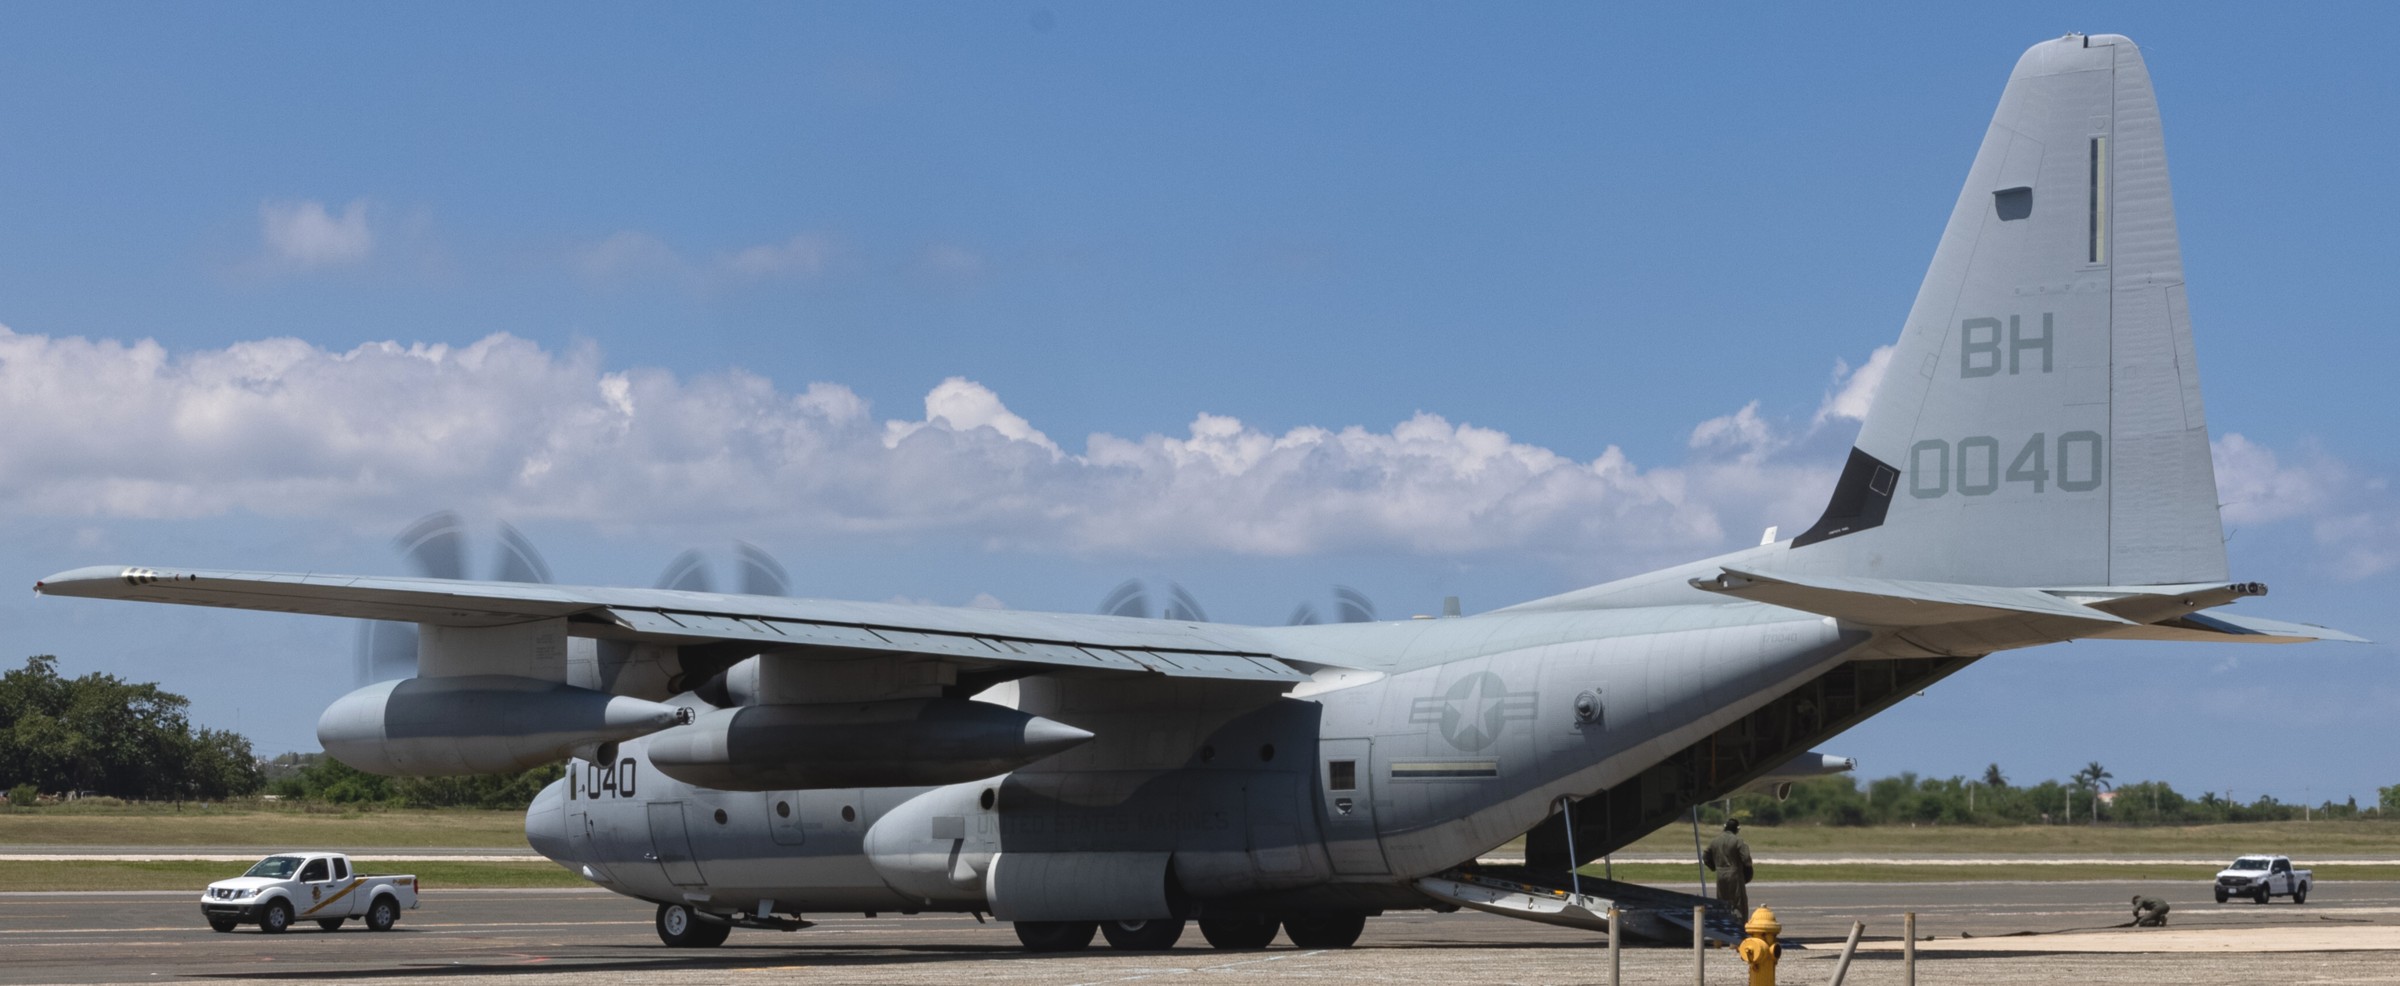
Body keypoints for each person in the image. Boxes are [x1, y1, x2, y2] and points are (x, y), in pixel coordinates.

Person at [1702, 818, 1754, 918]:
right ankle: (1740, 929)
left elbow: (1705, 856)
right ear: (1737, 829)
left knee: (1722, 903)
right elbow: (1746, 858)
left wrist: (1714, 867)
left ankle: (1724, 926)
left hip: (1720, 875)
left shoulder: (1715, 841)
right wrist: (1747, 871)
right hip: (1734, 875)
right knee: (1739, 904)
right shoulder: (1738, 841)